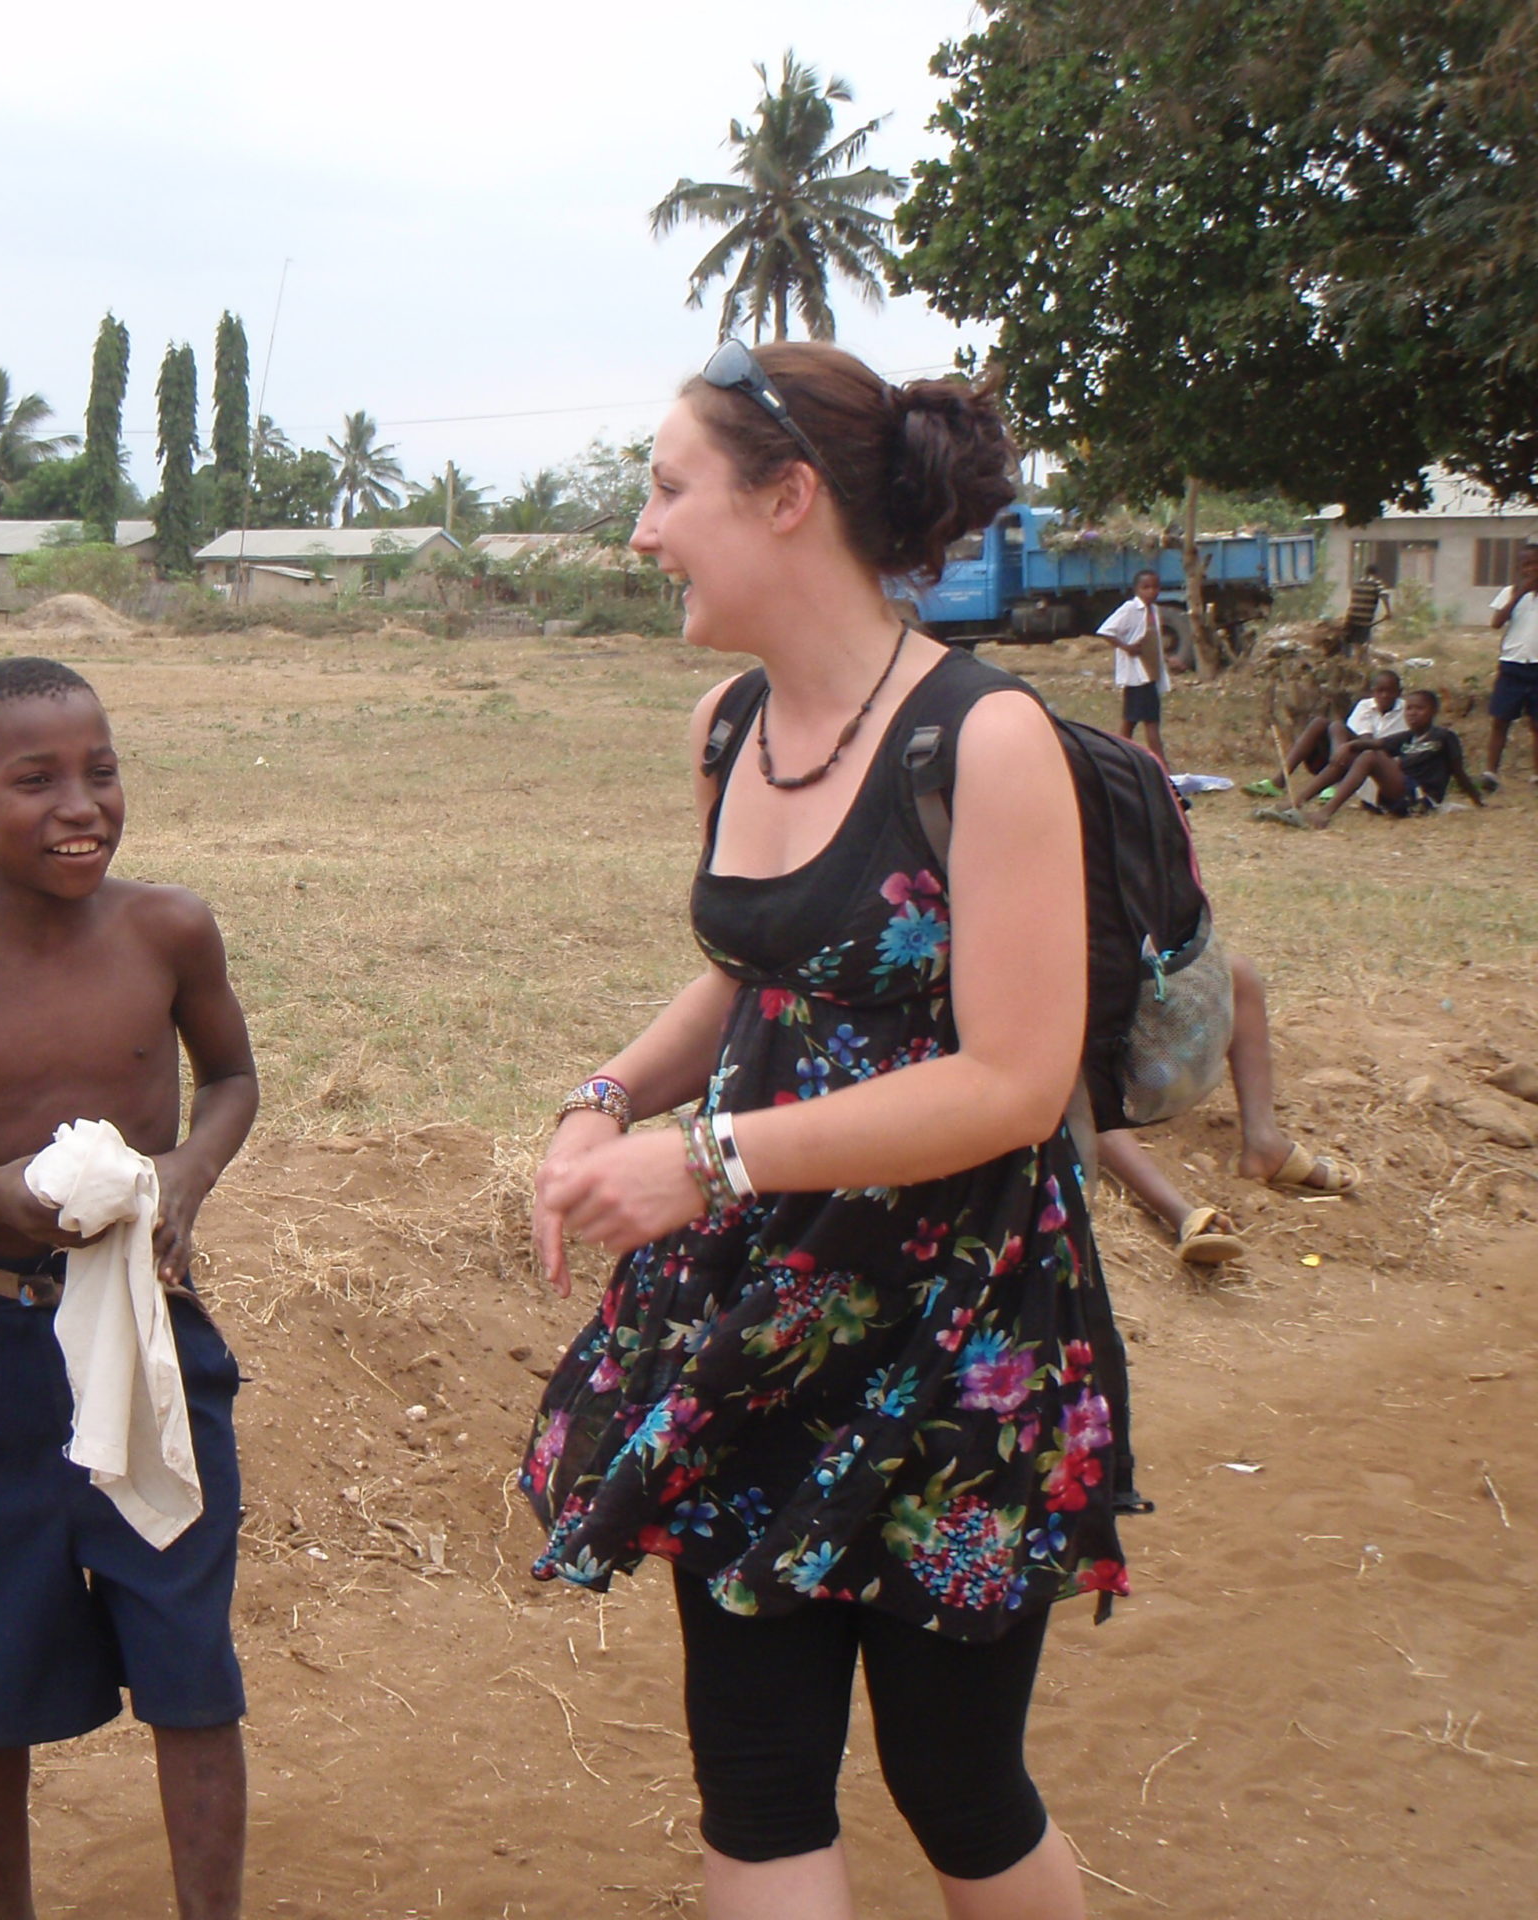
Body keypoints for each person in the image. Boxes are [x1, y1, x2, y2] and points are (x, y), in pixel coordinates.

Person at [521, 339, 1121, 1920]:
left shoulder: (985, 743)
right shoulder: (733, 726)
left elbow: (1015, 1078)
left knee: (958, 1786)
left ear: (788, 500)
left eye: (667, 490)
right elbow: (753, 966)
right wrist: (608, 1101)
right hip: (760, 1316)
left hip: (957, 1335)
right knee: (761, 1784)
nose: (642, 532)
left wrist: (708, 1158)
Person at [0, 656, 259, 1920]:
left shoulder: (168, 929)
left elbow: (230, 1079)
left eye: (102, 772)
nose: (81, 805)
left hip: (151, 1331)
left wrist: (183, 1174)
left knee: (189, 1656)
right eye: (37, 781)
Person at [1092, 953, 1359, 1265]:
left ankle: (1257, 1149)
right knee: (1074, 1090)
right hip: (1127, 1037)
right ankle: (1190, 1211)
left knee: (1238, 973)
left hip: (1134, 1029)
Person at [1270, 688, 1487, 827]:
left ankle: (1324, 814)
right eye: (1409, 709)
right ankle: (1297, 802)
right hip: (1398, 794)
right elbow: (1376, 742)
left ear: (1433, 712)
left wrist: (1478, 802)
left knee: (1370, 757)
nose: (1412, 713)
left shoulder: (1444, 737)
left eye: (1420, 709)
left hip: (1421, 799)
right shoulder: (1407, 737)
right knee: (1360, 752)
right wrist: (1350, 745)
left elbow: (1459, 772)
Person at [1096, 568, 1177, 765]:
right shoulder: (1130, 609)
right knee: (1150, 721)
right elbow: (1106, 630)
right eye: (1146, 587)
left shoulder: (1155, 611)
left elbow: (1155, 641)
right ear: (1136, 589)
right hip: (1137, 673)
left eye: (1155, 587)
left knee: (1130, 720)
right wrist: (1126, 647)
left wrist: (1167, 658)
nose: (1151, 591)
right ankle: (1161, 766)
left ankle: (1117, 759)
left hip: (1150, 671)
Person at [1280, 669, 1404, 777]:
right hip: (1354, 754)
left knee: (1338, 727)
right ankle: (1281, 778)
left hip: (1382, 762)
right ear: (1373, 691)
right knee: (1320, 723)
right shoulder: (1365, 706)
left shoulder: (1406, 710)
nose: (1385, 695)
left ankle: (1334, 776)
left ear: (1399, 692)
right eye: (1380, 691)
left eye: (1390, 691)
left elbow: (1371, 744)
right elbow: (1364, 738)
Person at [1486, 543, 1538, 786]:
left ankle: (1536, 774)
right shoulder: (1510, 592)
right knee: (1500, 719)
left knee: (1536, 723)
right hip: (1512, 664)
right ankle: (1490, 772)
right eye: (1526, 564)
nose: (1531, 569)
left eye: (1535, 563)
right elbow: (1496, 622)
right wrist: (1519, 595)